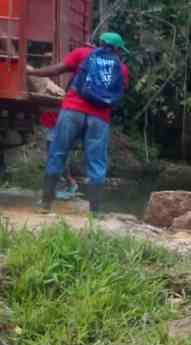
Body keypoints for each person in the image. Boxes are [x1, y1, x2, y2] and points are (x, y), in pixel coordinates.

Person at [27, 32, 129, 214]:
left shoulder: (82, 54)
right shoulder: (121, 69)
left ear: (99, 43)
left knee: (57, 153)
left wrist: (32, 72)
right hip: (100, 118)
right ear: (118, 50)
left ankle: (45, 204)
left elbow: (57, 70)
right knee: (96, 163)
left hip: (72, 111)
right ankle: (95, 213)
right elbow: (117, 95)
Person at [40, 111, 80, 199]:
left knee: (59, 164)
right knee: (53, 164)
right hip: (52, 139)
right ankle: (66, 185)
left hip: (57, 140)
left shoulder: (64, 117)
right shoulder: (57, 116)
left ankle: (70, 184)